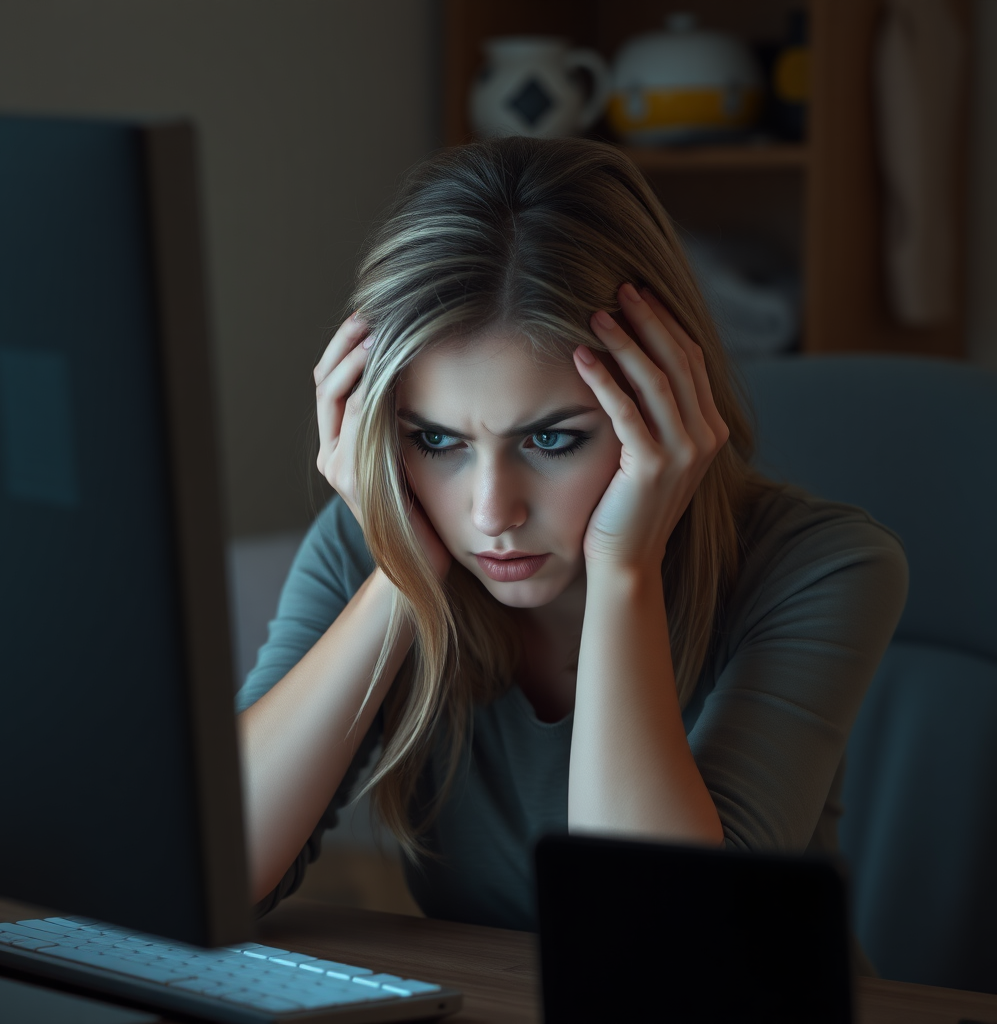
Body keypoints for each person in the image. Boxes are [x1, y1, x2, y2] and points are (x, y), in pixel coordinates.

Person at [235, 137, 909, 939]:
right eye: (435, 440)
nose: (490, 512)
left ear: (660, 410)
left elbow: (656, 944)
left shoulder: (822, 568)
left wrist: (625, 569)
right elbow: (212, 873)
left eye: (551, 440)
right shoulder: (375, 547)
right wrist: (400, 576)